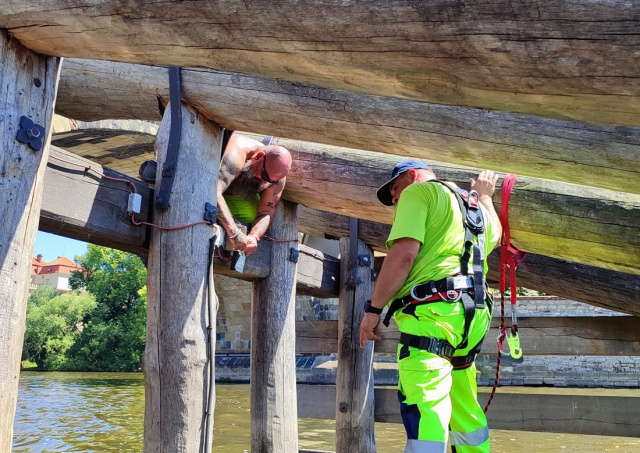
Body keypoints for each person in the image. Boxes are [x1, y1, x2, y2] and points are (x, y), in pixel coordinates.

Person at [359, 159, 502, 453]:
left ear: (411, 176)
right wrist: (486, 197)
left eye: (395, 190)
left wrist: (373, 311)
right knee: (465, 411)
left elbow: (403, 256)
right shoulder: (470, 204)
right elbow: (494, 238)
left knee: (426, 414)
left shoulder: (418, 193)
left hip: (432, 316)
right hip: (472, 319)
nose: (396, 199)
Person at [216, 133, 292, 256]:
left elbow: (266, 211)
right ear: (258, 157)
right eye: (265, 176)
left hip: (234, 196)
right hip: (209, 186)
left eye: (271, 181)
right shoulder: (236, 154)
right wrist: (234, 232)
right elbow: (214, 191)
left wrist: (254, 236)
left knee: (251, 214)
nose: (265, 183)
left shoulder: (275, 177)